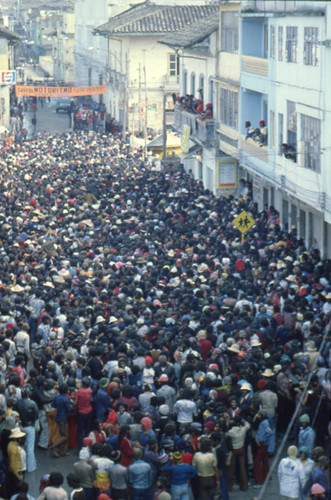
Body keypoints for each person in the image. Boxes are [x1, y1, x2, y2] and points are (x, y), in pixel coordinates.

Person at [17, 384, 38, 472]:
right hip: (30, 427)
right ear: (29, 394)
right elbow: (36, 415)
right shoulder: (32, 403)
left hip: (20, 427)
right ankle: (31, 467)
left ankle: (22, 466)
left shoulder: (18, 403)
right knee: (30, 448)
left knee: (21, 447)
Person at [50, 384, 73, 457]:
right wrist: (72, 406)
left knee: (63, 434)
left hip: (58, 416)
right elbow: (69, 409)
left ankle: (63, 451)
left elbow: (52, 405)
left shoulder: (57, 397)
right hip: (63, 418)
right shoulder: (65, 399)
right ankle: (54, 447)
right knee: (65, 436)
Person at [7, 428, 26, 497]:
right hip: (18, 470)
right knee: (18, 488)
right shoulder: (14, 449)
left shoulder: (12, 444)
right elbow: (13, 463)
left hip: (19, 469)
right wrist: (17, 475)